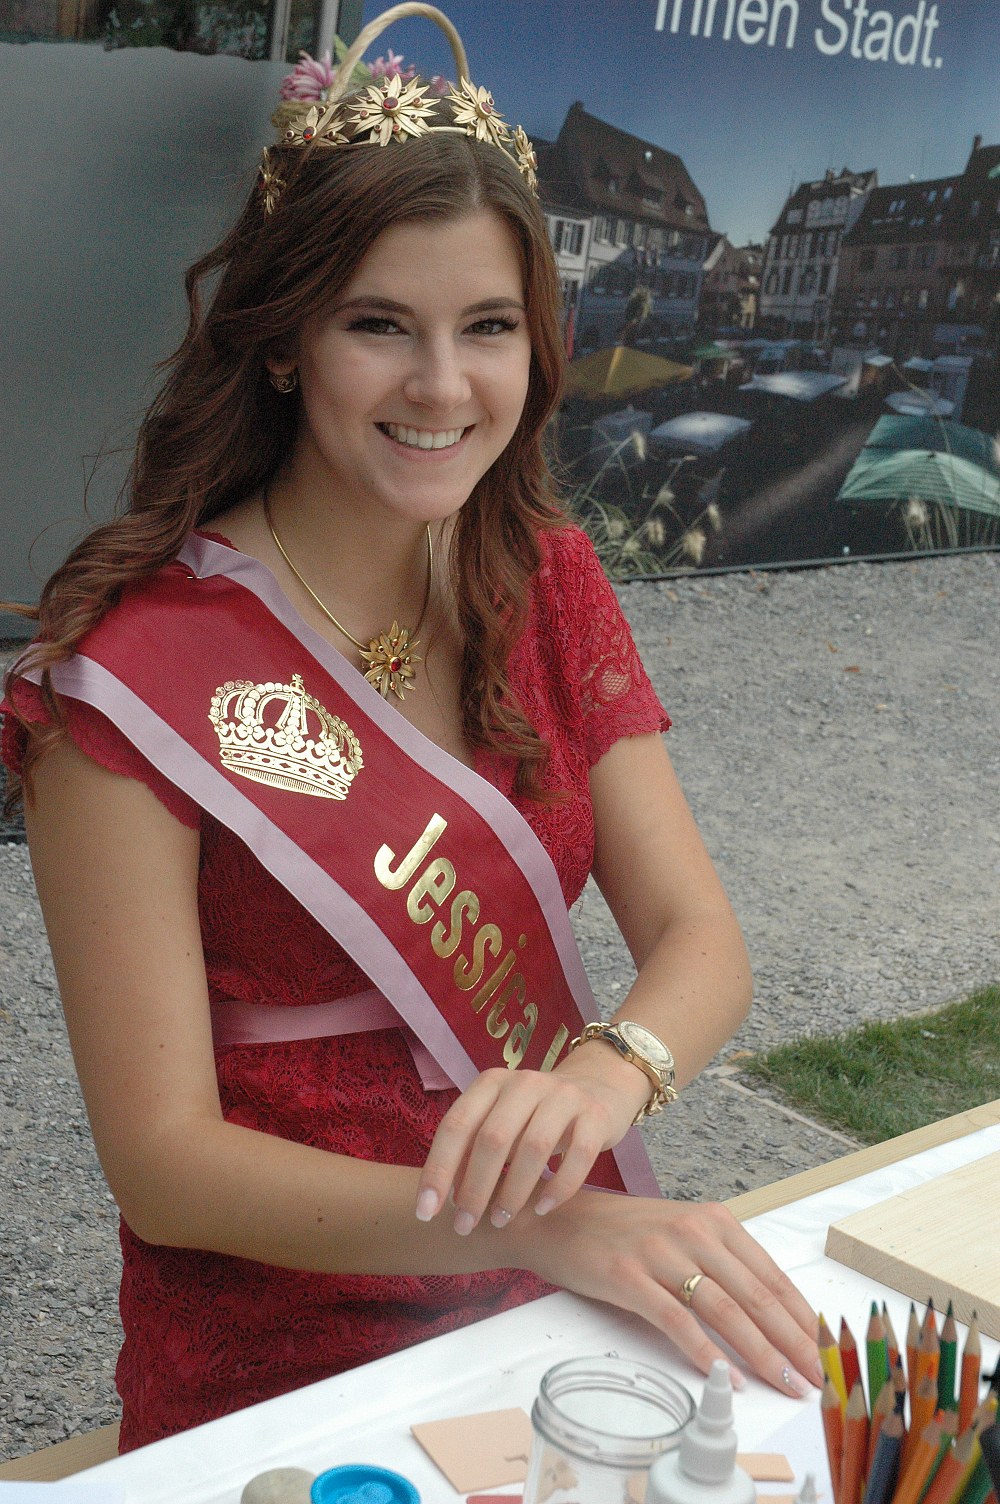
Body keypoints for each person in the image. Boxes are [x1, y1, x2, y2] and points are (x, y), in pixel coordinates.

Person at [2, 3, 822, 1452]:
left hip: (566, 1289)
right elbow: (166, 1167)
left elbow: (701, 937)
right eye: (379, 325)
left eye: (488, 328)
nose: (443, 387)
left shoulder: (548, 583)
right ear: (281, 342)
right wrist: (550, 1227)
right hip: (282, 1353)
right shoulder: (123, 682)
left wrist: (604, 1076)